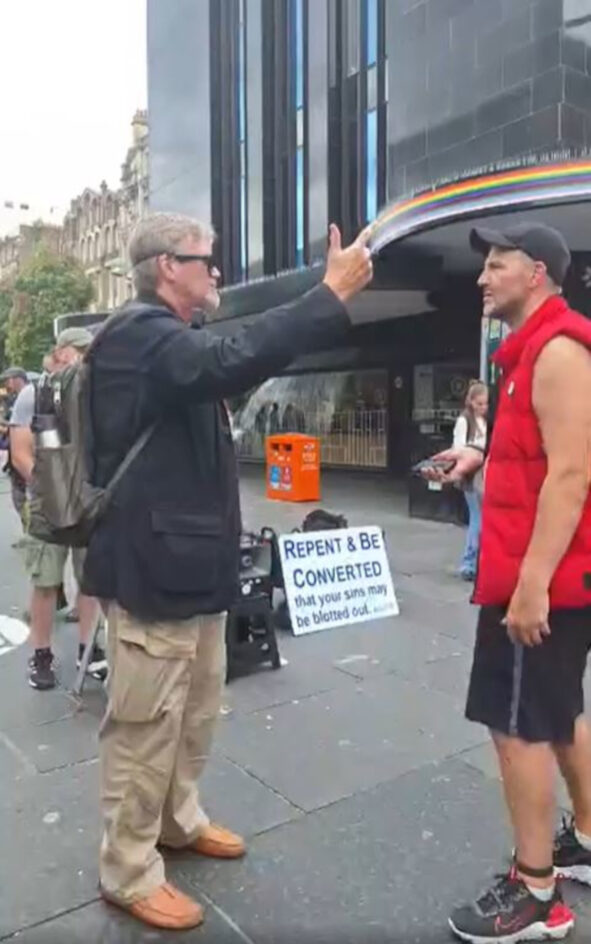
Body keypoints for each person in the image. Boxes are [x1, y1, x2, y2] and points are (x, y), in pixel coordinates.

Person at [82, 211, 373, 930]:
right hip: (154, 573)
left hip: (192, 569)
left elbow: (234, 354)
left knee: (195, 711)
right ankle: (128, 867)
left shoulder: (173, 341)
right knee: (145, 725)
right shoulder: (138, 336)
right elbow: (233, 355)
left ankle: (176, 822)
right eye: (204, 260)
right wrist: (326, 296)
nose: (217, 271)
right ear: (164, 269)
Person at [437, 222, 591, 944]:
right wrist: (477, 462)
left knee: (518, 727)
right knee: (556, 714)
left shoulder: (557, 352)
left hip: (539, 580)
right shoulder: (529, 354)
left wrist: (530, 587)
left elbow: (570, 472)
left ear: (536, 275)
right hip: (539, 570)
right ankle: (586, 839)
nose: (481, 278)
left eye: (495, 266)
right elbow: (538, 453)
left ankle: (535, 895)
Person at [9, 328, 107, 690]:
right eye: (78, 350)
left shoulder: (91, 393)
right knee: (46, 582)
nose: (83, 358)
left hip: (84, 499)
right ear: (63, 352)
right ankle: (41, 655)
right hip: (48, 502)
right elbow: (21, 453)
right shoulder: (35, 394)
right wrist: (51, 488)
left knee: (90, 580)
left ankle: (88, 649)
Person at [452, 380, 488, 581]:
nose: (483, 408)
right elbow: (459, 449)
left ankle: (476, 562)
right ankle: (469, 563)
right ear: (471, 401)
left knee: (482, 520)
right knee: (477, 519)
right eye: (480, 404)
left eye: (485, 404)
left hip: (485, 474)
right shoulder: (464, 421)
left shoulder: (485, 421)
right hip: (471, 475)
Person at [1, 366, 29, 524]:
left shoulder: (26, 396)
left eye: (8, 381)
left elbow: (21, 427)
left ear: (15, 379)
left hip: (22, 455)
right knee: (19, 497)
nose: (7, 385)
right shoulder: (17, 398)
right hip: (16, 456)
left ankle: (32, 530)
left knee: (21, 497)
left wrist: (5, 428)